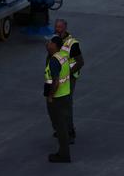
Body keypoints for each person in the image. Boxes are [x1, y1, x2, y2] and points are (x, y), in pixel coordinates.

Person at [53, 18, 84, 141]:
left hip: (69, 78)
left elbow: (80, 62)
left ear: (65, 28)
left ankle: (70, 132)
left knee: (66, 104)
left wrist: (68, 74)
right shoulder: (54, 39)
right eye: (56, 27)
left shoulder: (72, 43)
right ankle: (61, 129)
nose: (57, 29)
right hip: (58, 77)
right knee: (57, 104)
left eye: (60, 27)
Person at [45, 35, 72, 163]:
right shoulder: (63, 56)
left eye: (50, 43)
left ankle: (64, 154)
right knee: (62, 125)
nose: (48, 44)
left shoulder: (54, 61)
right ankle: (64, 148)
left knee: (60, 126)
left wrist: (50, 96)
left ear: (54, 46)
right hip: (65, 94)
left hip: (57, 98)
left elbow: (55, 82)